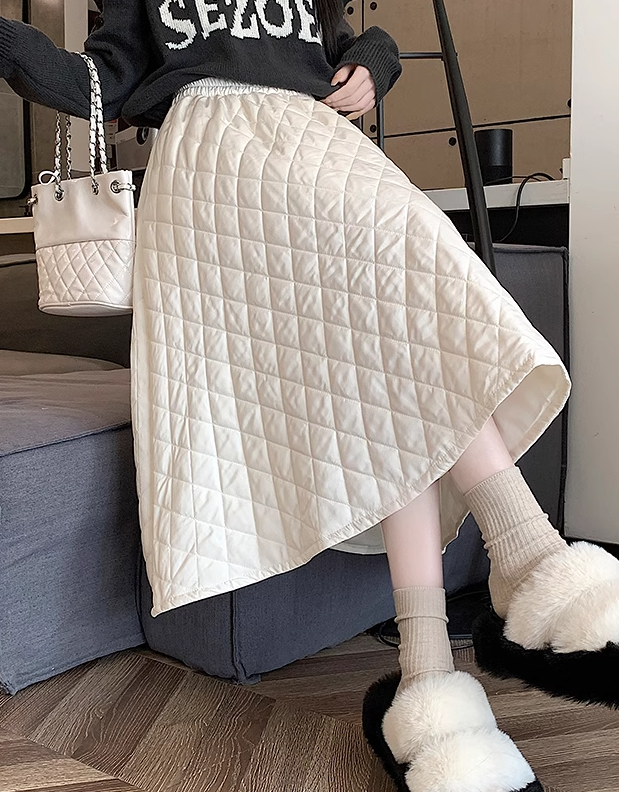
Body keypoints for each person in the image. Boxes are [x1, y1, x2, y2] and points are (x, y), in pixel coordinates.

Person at [1, 3, 616, 790]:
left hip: (322, 144)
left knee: (393, 372)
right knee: (401, 341)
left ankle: (427, 678)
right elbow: (98, 80)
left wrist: (372, 65)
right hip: (219, 164)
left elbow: (341, 44)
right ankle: (522, 554)